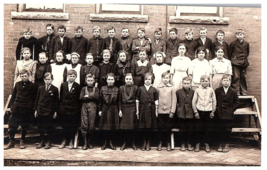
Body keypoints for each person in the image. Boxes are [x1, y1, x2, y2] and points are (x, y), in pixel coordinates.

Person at [5, 69, 37, 149]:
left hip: (26, 109)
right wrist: (12, 106)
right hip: (17, 108)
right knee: (12, 124)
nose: (24, 77)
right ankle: (11, 141)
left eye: (25, 76)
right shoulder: (17, 84)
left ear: (28, 76)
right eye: (22, 76)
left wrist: (31, 107)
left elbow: (34, 98)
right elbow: (13, 96)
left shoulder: (32, 85)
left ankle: (22, 140)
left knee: (24, 125)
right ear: (20, 76)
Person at [215, 74, 239, 153]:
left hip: (228, 114)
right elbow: (214, 101)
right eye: (224, 81)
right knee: (219, 129)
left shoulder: (233, 91)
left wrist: (231, 110)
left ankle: (226, 144)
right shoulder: (217, 91)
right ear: (221, 82)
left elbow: (237, 102)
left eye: (227, 81)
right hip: (220, 113)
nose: (226, 82)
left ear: (230, 82)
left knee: (227, 129)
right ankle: (220, 144)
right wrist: (217, 109)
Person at [192, 75, 216, 153]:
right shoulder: (197, 90)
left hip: (208, 111)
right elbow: (194, 101)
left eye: (206, 81)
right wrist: (195, 111)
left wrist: (213, 111)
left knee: (207, 128)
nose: (205, 82)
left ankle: (207, 144)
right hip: (199, 111)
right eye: (203, 81)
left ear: (209, 82)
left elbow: (214, 101)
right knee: (198, 128)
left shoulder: (211, 90)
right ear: (200, 82)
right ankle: (197, 144)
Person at [34, 72, 58, 149]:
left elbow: (56, 101)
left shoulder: (55, 89)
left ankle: (48, 142)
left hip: (49, 111)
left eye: (49, 79)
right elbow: (37, 99)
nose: (47, 81)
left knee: (49, 126)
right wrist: (36, 110)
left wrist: (55, 111)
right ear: (44, 80)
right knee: (40, 126)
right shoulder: (40, 88)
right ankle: (42, 141)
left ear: (52, 79)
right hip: (41, 109)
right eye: (46, 79)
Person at [59, 69, 81, 149]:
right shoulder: (63, 85)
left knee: (72, 125)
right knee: (64, 125)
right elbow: (61, 97)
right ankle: (64, 140)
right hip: (64, 108)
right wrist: (61, 107)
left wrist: (76, 109)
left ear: (75, 77)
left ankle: (71, 140)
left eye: (73, 76)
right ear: (67, 76)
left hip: (73, 109)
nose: (71, 78)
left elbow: (78, 99)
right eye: (70, 76)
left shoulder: (78, 86)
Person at [137, 72, 158, 151]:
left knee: (149, 127)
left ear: (152, 80)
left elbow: (156, 101)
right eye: (146, 79)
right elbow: (137, 100)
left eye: (149, 79)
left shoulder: (154, 90)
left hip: (151, 109)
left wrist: (156, 110)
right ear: (143, 80)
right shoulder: (140, 89)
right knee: (143, 127)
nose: (147, 81)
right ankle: (143, 142)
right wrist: (138, 111)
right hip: (142, 109)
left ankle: (149, 142)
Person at [99, 73, 120, 150]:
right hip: (105, 109)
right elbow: (100, 101)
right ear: (106, 80)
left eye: (112, 79)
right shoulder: (103, 88)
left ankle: (111, 142)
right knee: (105, 127)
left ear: (114, 80)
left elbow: (118, 101)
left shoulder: (117, 89)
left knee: (112, 127)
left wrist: (119, 110)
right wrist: (100, 110)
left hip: (113, 109)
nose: (110, 81)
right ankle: (105, 142)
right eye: (109, 79)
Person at [156, 71, 177, 151]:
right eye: (164, 78)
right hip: (160, 111)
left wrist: (172, 111)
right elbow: (156, 99)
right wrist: (157, 110)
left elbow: (174, 100)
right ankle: (160, 142)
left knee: (168, 127)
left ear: (169, 79)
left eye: (167, 78)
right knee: (160, 127)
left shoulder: (172, 88)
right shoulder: (159, 87)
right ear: (162, 79)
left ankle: (168, 143)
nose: (165, 79)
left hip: (168, 112)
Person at [119, 73, 139, 150]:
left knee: (132, 127)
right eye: (127, 79)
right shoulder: (121, 88)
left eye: (130, 79)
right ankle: (124, 143)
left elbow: (137, 99)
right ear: (124, 80)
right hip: (124, 108)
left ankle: (133, 143)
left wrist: (137, 110)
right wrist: (120, 109)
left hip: (132, 108)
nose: (128, 80)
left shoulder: (135, 88)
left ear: (132, 80)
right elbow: (119, 100)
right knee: (124, 127)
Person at [80, 73, 99, 150]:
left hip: (93, 108)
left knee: (91, 126)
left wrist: (87, 96)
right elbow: (81, 98)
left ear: (94, 81)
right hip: (84, 107)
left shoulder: (96, 89)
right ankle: (85, 143)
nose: (90, 82)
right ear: (86, 81)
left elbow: (97, 98)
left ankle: (89, 141)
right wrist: (91, 97)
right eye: (88, 80)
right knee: (84, 125)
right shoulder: (83, 89)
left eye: (91, 80)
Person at [176, 77, 195, 151]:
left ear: (190, 84)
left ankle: (189, 143)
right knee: (182, 129)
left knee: (190, 129)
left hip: (190, 113)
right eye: (185, 83)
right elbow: (176, 102)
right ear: (182, 84)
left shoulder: (193, 92)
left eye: (188, 83)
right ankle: (182, 143)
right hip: (181, 113)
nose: (186, 85)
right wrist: (179, 109)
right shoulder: (178, 92)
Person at [229, 29, 250, 96]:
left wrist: (243, 59)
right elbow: (230, 53)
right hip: (235, 63)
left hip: (243, 63)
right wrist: (234, 59)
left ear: (243, 35)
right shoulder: (233, 43)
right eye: (238, 34)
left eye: (241, 34)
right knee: (236, 77)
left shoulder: (246, 44)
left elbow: (247, 53)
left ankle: (244, 92)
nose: (239, 36)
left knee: (243, 77)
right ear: (236, 35)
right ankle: (236, 92)